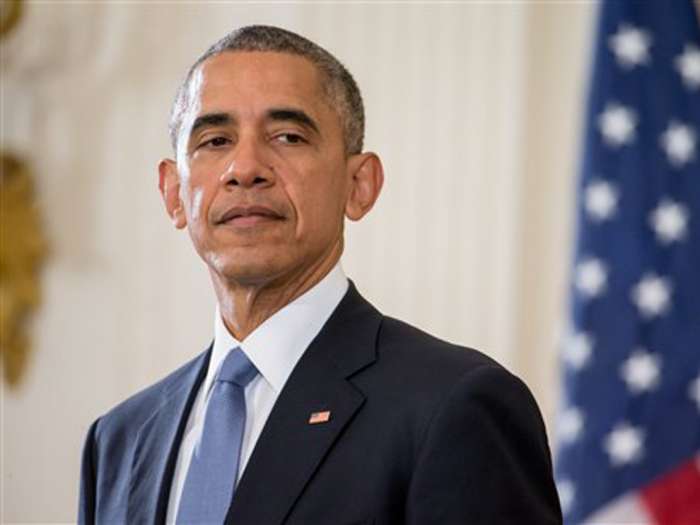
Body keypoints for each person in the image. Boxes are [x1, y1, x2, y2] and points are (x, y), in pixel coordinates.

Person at [78, 25, 562, 525]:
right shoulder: (119, 439)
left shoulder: (454, 407)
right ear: (173, 193)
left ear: (360, 184)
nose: (245, 168)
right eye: (215, 140)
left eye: (288, 136)